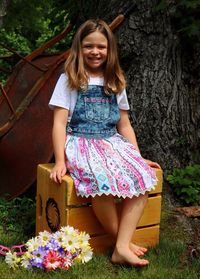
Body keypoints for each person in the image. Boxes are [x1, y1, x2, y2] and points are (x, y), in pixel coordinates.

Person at [49, 19, 161, 267]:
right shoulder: (70, 79)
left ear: (110, 49)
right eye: (89, 46)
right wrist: (59, 161)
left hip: (111, 142)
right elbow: (58, 123)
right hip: (81, 141)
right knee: (101, 178)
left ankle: (121, 245)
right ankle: (121, 243)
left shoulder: (115, 79)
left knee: (143, 176)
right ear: (79, 48)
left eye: (101, 47)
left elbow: (124, 124)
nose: (95, 52)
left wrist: (138, 156)